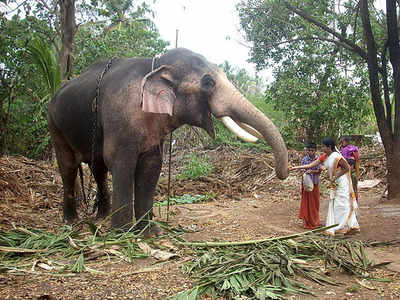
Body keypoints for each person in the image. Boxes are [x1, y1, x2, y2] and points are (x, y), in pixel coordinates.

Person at [290, 138, 360, 236]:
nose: (322, 148)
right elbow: (311, 165)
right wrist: (295, 168)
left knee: (343, 204)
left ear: (329, 147)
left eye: (324, 146)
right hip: (334, 183)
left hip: (342, 183)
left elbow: (347, 168)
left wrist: (335, 177)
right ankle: (341, 227)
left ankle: (348, 226)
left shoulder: (336, 156)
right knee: (336, 205)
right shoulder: (324, 156)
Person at [299, 142, 321, 229]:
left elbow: (319, 171)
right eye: (309, 150)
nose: (310, 152)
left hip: (314, 184)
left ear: (315, 151)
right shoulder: (304, 160)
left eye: (312, 150)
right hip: (306, 184)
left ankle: (314, 222)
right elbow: (301, 170)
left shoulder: (318, 159)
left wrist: (312, 171)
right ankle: (306, 222)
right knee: (306, 203)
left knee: (314, 203)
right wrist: (305, 172)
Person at [339, 136, 360, 202]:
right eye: (340, 142)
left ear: (346, 142)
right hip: (344, 172)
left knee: (354, 188)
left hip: (352, 172)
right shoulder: (342, 150)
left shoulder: (353, 150)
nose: (341, 143)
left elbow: (357, 162)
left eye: (342, 142)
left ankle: (355, 202)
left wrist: (357, 174)